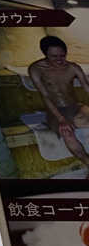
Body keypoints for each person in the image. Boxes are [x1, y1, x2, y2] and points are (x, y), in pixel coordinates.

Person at [28, 36, 89, 172]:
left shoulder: (73, 67)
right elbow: (45, 96)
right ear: (45, 54)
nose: (60, 60)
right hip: (55, 111)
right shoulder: (36, 69)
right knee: (67, 133)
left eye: (62, 55)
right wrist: (61, 119)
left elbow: (87, 87)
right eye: (54, 56)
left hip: (75, 106)